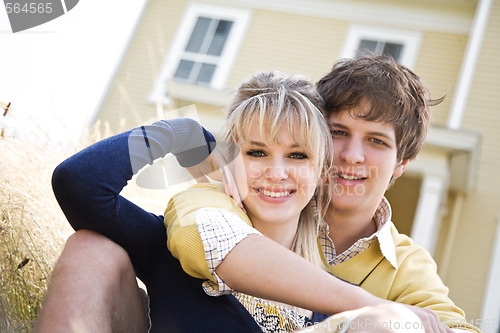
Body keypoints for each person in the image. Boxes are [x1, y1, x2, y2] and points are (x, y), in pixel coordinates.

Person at [35, 57, 476, 332]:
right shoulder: (200, 209)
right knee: (91, 247)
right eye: (257, 152)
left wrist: (385, 316)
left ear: (320, 169)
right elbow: (79, 183)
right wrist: (179, 132)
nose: (276, 172)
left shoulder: (349, 294)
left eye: (298, 154)